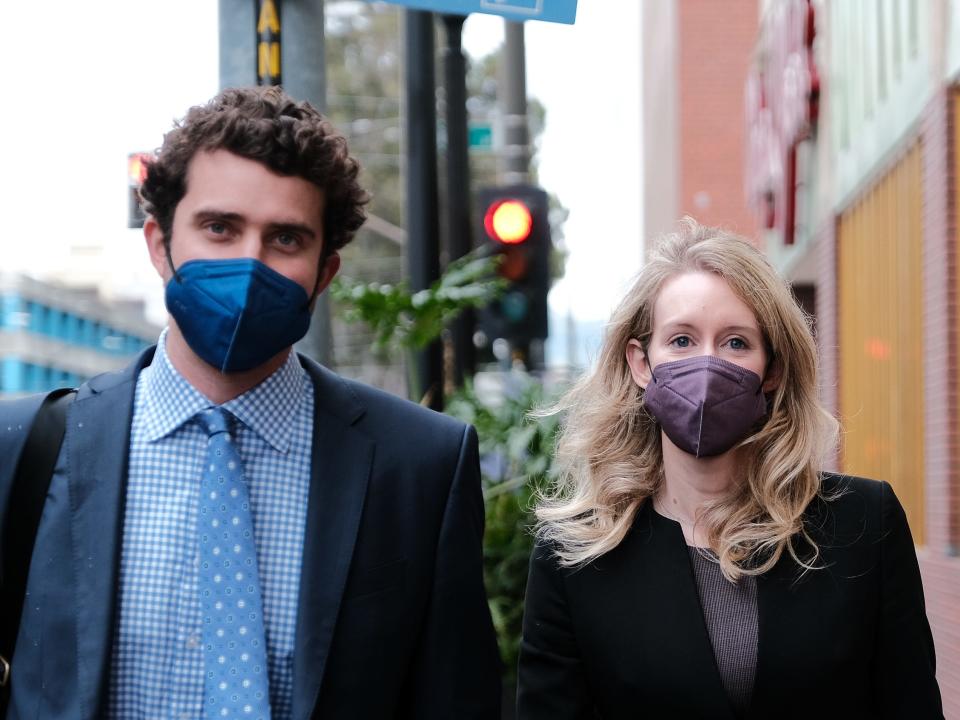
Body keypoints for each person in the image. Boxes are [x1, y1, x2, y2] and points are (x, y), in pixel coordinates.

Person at [0, 86, 501, 719]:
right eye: (219, 228)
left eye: (285, 239)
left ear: (324, 273)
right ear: (160, 245)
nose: (248, 263)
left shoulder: (420, 466)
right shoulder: (25, 446)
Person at [516, 219, 942, 719]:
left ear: (773, 369)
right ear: (640, 362)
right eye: (681, 341)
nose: (707, 364)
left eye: (736, 342)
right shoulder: (577, 553)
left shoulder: (863, 523)